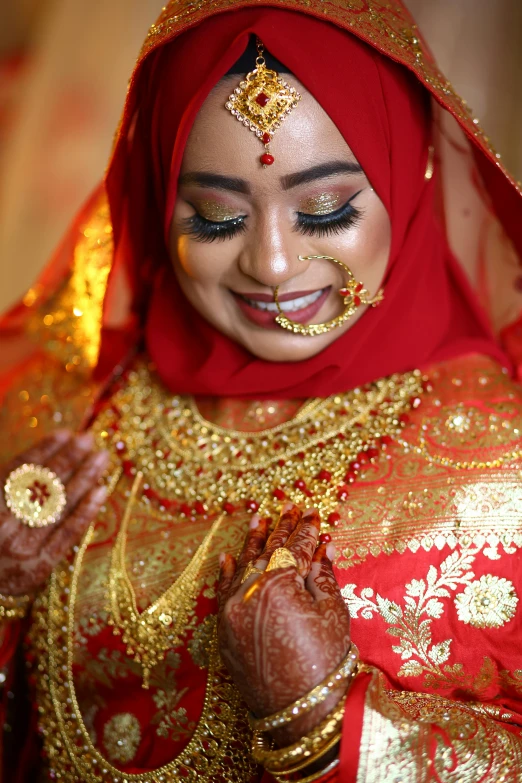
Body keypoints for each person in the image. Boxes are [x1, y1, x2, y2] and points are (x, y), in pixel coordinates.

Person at [1, 1, 522, 781]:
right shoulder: (62, 420)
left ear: (411, 171)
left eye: (325, 208)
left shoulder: (500, 460)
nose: (273, 265)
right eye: (216, 218)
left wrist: (327, 722)